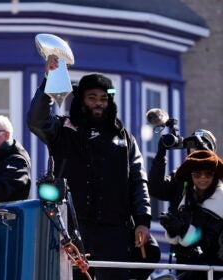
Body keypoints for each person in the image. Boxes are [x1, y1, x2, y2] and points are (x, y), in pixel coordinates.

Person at [28, 55, 160, 280]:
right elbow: (36, 120)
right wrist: (49, 80)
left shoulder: (124, 138)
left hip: (115, 234)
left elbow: (139, 182)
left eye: (103, 98)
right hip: (72, 230)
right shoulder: (63, 129)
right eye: (92, 97)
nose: (99, 103)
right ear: (81, 100)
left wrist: (143, 222)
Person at [160, 150, 223, 279]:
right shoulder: (187, 199)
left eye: (208, 174)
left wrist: (182, 230)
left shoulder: (221, 201)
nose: (203, 178)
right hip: (187, 268)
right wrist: (172, 229)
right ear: (191, 176)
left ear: (215, 175)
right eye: (197, 174)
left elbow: (209, 245)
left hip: (213, 271)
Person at [148, 129, 217, 213]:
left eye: (200, 145)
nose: (196, 149)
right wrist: (160, 155)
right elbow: (156, 190)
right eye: (193, 145)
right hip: (179, 226)